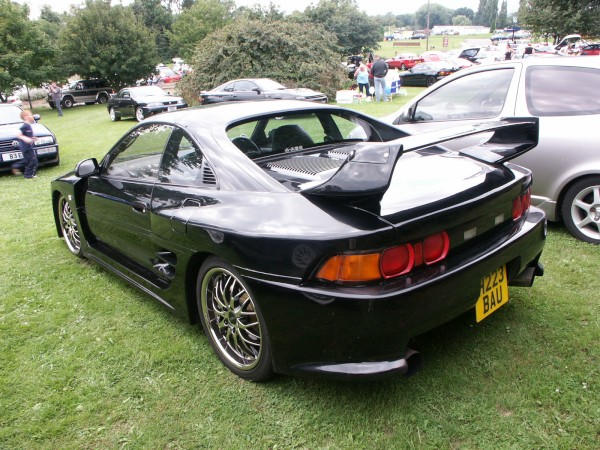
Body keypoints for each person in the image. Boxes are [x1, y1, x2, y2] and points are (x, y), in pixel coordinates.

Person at [11, 110, 39, 179]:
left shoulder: (28, 126)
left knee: (28, 160)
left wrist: (32, 138)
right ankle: (28, 175)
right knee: (33, 159)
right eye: (30, 115)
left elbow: (28, 135)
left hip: (28, 146)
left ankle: (17, 167)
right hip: (26, 147)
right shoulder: (24, 126)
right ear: (26, 117)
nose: (32, 116)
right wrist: (25, 138)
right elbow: (18, 134)